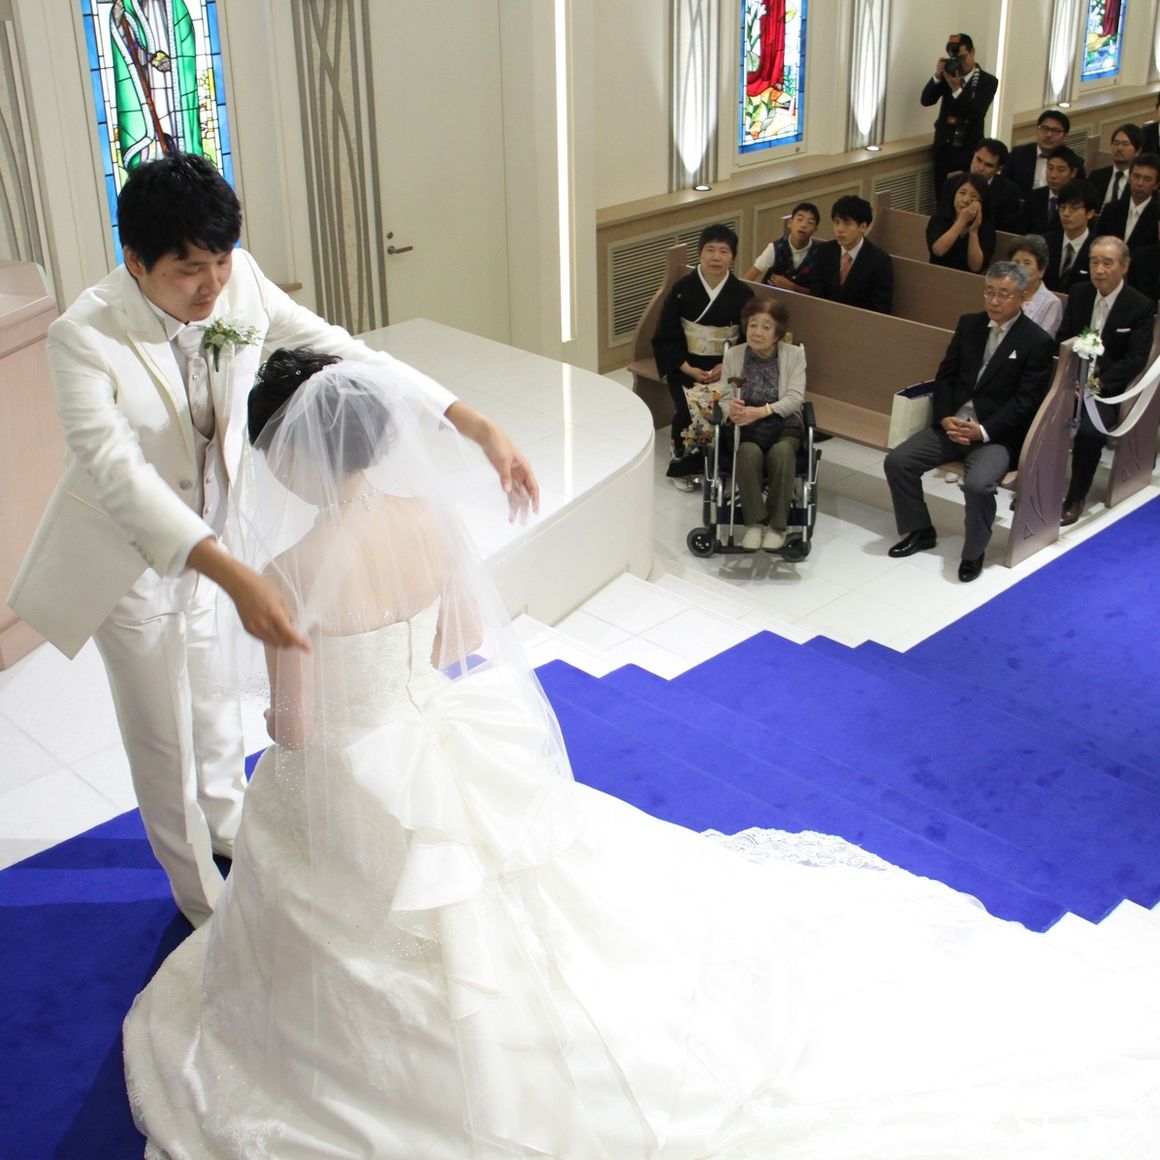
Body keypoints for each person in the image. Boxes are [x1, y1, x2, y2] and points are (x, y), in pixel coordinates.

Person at [122, 351, 1160, 1158]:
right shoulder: (425, 523)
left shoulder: (287, 570)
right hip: (438, 741)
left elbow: (298, 731)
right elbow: (449, 644)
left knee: (316, 846)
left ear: (295, 456)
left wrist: (316, 721)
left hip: (359, 774)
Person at [5, 153, 537, 929]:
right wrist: (230, 573)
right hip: (129, 562)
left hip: (217, 544)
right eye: (189, 270)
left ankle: (233, 830)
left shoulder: (241, 281)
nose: (212, 285)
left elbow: (352, 352)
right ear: (136, 261)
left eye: (221, 261)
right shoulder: (81, 337)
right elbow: (118, 475)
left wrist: (472, 422)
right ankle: (202, 903)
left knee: (215, 707)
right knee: (164, 744)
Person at [884, 261, 1055, 583]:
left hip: (994, 435)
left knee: (978, 485)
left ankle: (973, 552)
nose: (994, 301)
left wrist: (983, 431)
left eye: (1003, 294)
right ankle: (920, 530)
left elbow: (1026, 402)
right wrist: (945, 417)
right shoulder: (969, 325)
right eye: (989, 292)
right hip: (953, 424)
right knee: (898, 462)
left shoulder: (1036, 342)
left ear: (1022, 297)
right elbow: (946, 376)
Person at [1057, 236, 1157, 526]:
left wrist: (1094, 385)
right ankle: (1034, 485)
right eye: (1094, 262)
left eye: (1107, 263)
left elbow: (1135, 359)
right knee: (1035, 414)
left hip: (1106, 389)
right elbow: (1063, 337)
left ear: (1124, 267)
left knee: (1089, 433)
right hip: (1070, 381)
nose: (1099, 270)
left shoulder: (1139, 305)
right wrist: (1071, 379)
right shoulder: (1079, 293)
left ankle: (1076, 496)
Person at [652, 224, 754, 486]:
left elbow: (748, 339)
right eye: (710, 250)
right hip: (687, 365)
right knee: (689, 408)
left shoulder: (743, 294)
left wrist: (726, 366)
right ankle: (684, 467)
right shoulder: (681, 289)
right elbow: (666, 333)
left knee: (728, 407)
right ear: (700, 253)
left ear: (733, 258)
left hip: (727, 367)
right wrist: (686, 367)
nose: (716, 257)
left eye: (724, 251)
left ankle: (721, 466)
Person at [722, 297, 805, 552]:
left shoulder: (794, 355)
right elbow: (724, 396)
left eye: (766, 327)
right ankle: (755, 524)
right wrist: (731, 410)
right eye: (753, 325)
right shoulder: (734, 355)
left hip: (783, 424)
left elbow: (795, 398)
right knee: (747, 452)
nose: (757, 332)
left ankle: (778, 527)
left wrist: (762, 411)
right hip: (747, 428)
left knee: (782, 453)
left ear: (778, 333)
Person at [919, 32, 998, 196]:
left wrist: (957, 89)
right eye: (955, 58)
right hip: (944, 148)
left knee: (966, 196)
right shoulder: (948, 75)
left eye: (963, 58)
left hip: (969, 149)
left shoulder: (988, 81)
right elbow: (926, 100)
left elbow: (977, 113)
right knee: (943, 197)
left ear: (972, 52)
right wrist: (937, 76)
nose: (959, 63)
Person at [807, 195, 894, 314]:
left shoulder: (879, 261)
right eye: (836, 222)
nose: (839, 229)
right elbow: (815, 296)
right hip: (824, 316)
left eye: (847, 223)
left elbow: (880, 309)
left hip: (860, 322)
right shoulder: (824, 251)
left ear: (862, 227)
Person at [742, 202, 819, 292]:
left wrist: (792, 287)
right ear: (790, 223)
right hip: (771, 297)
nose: (803, 225)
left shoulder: (820, 253)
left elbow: (819, 294)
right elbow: (746, 280)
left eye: (810, 222)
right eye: (799, 219)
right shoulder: (775, 248)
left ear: (814, 230)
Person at [926, 173, 995, 272]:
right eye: (962, 193)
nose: (965, 200)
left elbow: (975, 267)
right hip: (936, 274)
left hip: (966, 279)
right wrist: (962, 221)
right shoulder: (939, 219)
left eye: (973, 196)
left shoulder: (986, 227)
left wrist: (973, 232)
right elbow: (938, 251)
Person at [1095, 152, 1160, 253]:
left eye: (1147, 179)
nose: (1140, 183)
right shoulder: (1111, 210)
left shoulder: (1157, 215)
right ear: (1129, 178)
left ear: (1156, 185)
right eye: (1136, 176)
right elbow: (1097, 243)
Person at [1043, 178, 1099, 293]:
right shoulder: (1045, 242)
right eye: (1063, 207)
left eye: (1074, 208)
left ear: (1090, 213)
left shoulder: (1098, 248)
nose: (1066, 213)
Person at [1006, 109, 1078, 196]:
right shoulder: (1018, 154)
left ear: (1065, 136)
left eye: (1055, 131)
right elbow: (1005, 187)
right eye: (1045, 128)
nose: (1049, 135)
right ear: (1037, 129)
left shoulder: (1074, 161)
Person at [1008, 234, 1064, 338]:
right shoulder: (1003, 293)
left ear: (1041, 270)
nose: (1020, 268)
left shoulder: (1052, 303)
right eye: (1016, 262)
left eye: (1027, 263)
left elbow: (1043, 340)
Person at [1019, 144, 1081, 235]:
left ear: (1073, 173)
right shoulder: (1034, 196)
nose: (1053, 175)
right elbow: (1021, 231)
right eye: (1050, 168)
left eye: (1060, 170)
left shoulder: (1078, 201)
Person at [964, 137, 1022, 232]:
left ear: (998, 169)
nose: (980, 168)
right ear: (974, 155)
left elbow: (1005, 231)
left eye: (988, 165)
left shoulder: (1009, 192)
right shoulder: (954, 181)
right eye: (978, 160)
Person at [1088, 123, 1142, 209]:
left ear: (1138, 151)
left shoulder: (1140, 182)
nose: (1119, 148)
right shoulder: (1097, 176)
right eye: (1116, 143)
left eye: (1125, 144)